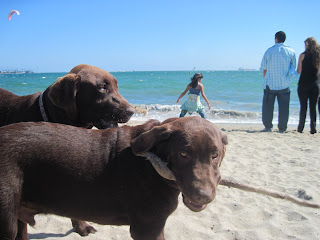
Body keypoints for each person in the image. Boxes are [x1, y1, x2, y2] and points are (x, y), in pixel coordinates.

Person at [260, 31, 296, 133]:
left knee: (267, 108)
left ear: (276, 39)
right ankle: (282, 128)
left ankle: (268, 127)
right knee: (284, 109)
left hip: (270, 83)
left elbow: (264, 68)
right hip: (284, 84)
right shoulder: (291, 51)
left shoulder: (269, 51)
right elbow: (292, 68)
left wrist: (265, 80)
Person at [296, 37, 320, 134]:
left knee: (303, 107)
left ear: (307, 45)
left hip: (303, 84)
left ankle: (300, 128)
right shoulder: (318, 56)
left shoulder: (302, 55)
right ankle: (313, 128)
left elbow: (299, 71)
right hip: (315, 84)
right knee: (313, 107)